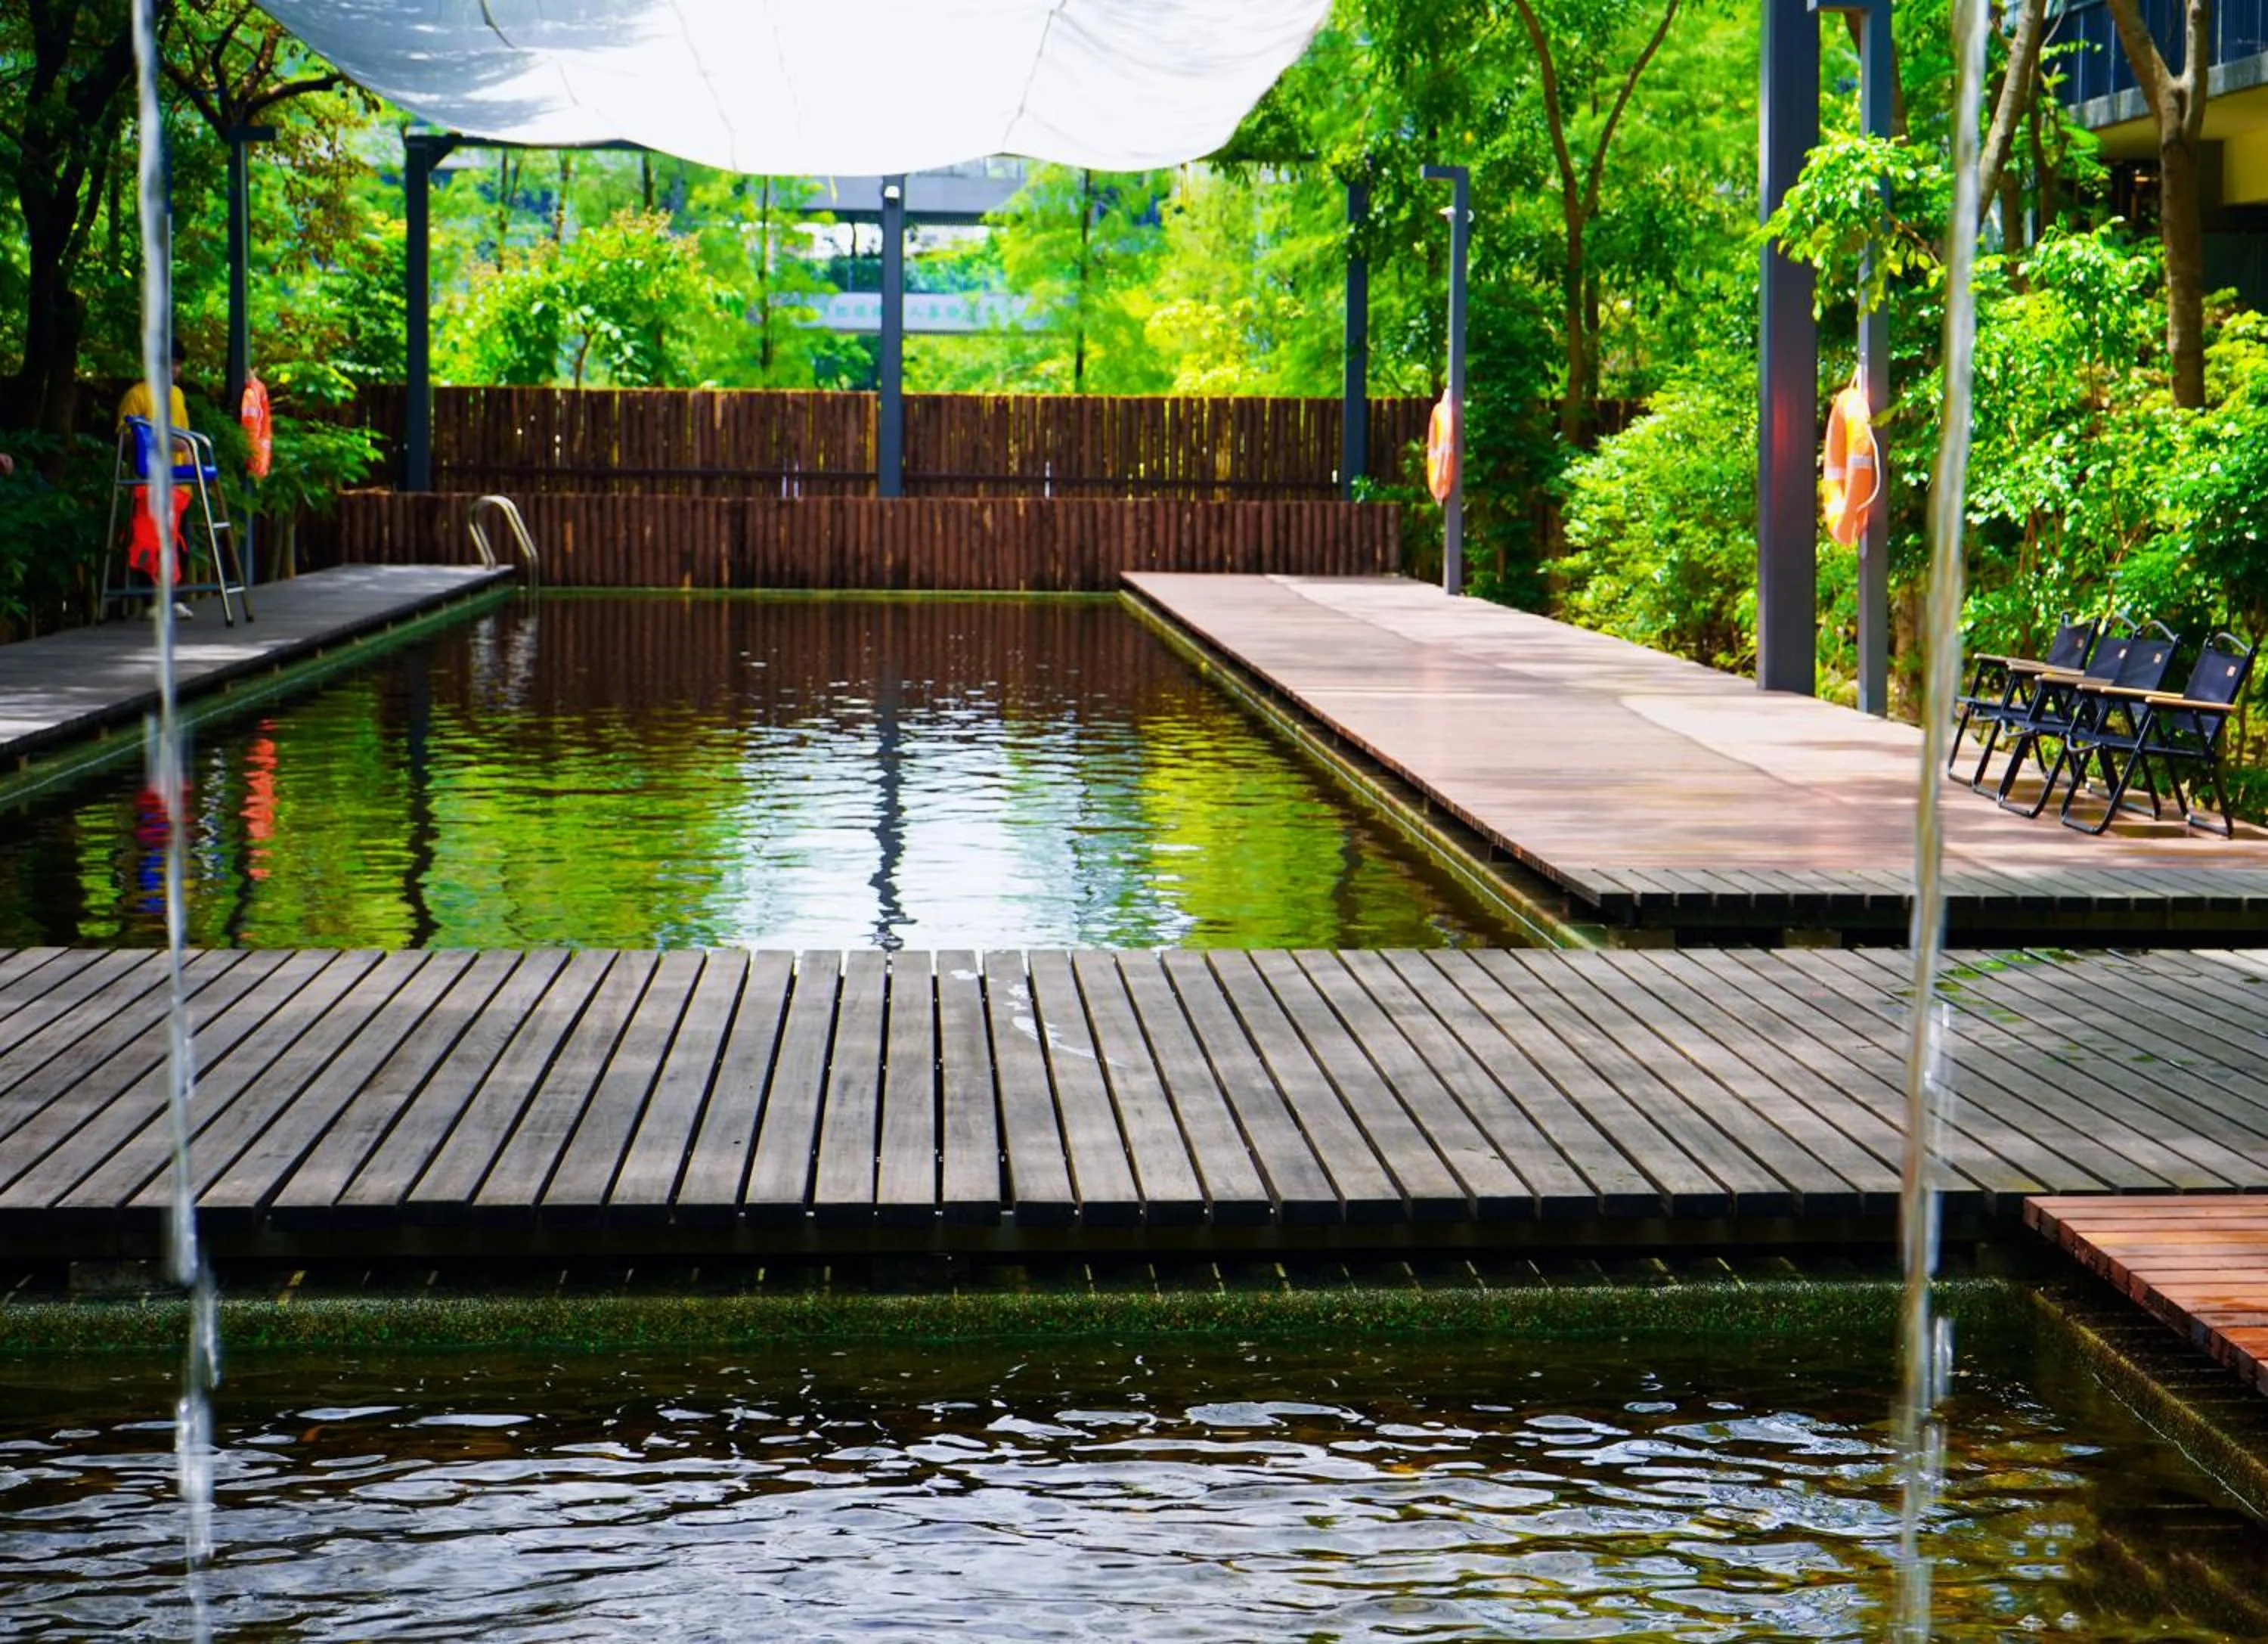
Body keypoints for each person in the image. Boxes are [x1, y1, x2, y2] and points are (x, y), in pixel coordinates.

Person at [117, 337, 195, 619]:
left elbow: (184, 432)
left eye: (178, 366)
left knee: (180, 542)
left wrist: (187, 452)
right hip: (149, 480)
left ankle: (173, 597)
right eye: (172, 364)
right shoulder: (137, 395)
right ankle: (152, 601)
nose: (177, 371)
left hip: (178, 482)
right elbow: (126, 437)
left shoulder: (177, 395)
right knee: (148, 541)